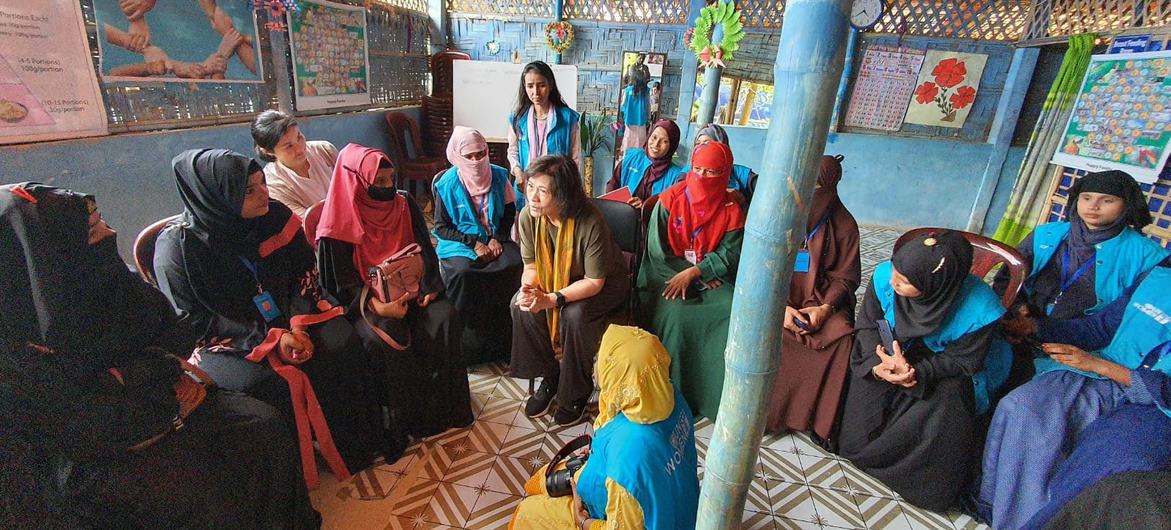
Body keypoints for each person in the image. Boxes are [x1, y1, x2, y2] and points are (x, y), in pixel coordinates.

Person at [0, 182, 319, 528]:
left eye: (102, 220)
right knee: (210, 494)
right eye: (93, 231)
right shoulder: (19, 347)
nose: (111, 233)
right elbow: (80, 426)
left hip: (163, 395)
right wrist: (163, 394)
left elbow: (177, 331)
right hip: (109, 450)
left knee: (264, 426)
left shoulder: (112, 281)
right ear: (46, 257)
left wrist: (148, 373)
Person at [153, 149, 384, 487]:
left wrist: (295, 323)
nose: (265, 194)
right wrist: (268, 337)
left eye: (262, 182)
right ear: (216, 197)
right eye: (249, 190)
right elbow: (194, 320)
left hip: (292, 315)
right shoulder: (179, 249)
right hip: (229, 338)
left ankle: (355, 447)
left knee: (341, 342)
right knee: (262, 384)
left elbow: (305, 271)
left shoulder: (275, 216)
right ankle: (291, 477)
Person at [979, 264, 1171, 530]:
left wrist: (1102, 367)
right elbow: (1101, 327)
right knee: (1024, 408)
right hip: (1104, 374)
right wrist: (1035, 327)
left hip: (1158, 406)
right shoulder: (1156, 276)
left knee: (1110, 459)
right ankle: (1010, 519)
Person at [316, 143, 473, 452]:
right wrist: (376, 305)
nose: (389, 188)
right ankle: (401, 424)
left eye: (392, 180)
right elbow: (338, 282)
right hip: (366, 302)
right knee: (384, 339)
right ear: (359, 182)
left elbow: (425, 250)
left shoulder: (404, 204)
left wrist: (428, 287)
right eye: (380, 182)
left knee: (443, 317)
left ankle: (443, 412)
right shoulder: (338, 222)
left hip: (412, 290)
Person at [837, 231, 1008, 512]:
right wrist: (879, 364)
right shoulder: (884, 278)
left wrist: (915, 371)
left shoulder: (981, 309)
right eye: (895, 272)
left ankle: (908, 476)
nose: (894, 282)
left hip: (942, 366)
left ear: (936, 285)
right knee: (854, 436)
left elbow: (962, 360)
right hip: (891, 351)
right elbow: (869, 323)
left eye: (904, 282)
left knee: (945, 406)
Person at [508, 325, 700, 530]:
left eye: (604, 359)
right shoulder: (667, 394)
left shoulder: (626, 464)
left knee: (528, 512)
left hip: (623, 510)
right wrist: (602, 450)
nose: (598, 363)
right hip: (679, 507)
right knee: (547, 479)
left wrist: (582, 521)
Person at [994, 170, 1167, 388]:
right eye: (1086, 198)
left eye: (1107, 200)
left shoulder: (1148, 257)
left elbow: (1119, 321)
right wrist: (1016, 309)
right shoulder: (1047, 234)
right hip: (1021, 327)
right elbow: (1007, 279)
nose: (1093, 206)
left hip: (1083, 344)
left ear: (1127, 206)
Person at [511, 155, 629, 426]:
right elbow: (531, 265)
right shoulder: (529, 216)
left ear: (563, 194)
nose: (533, 197)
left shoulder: (590, 221)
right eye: (531, 187)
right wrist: (529, 290)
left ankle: (575, 391)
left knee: (573, 316)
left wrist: (552, 299)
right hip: (556, 281)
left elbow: (594, 282)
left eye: (543, 191)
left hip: (602, 286)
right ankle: (550, 375)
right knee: (521, 305)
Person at [637, 142, 745, 420]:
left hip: (710, 278)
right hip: (665, 277)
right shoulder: (669, 200)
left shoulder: (732, 208)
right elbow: (657, 253)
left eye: (711, 172)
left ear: (724, 174)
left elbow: (730, 252)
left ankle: (713, 397)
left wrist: (698, 273)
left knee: (733, 308)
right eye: (696, 169)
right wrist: (687, 273)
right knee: (678, 313)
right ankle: (674, 393)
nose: (701, 177)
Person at [765, 155, 861, 446]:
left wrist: (824, 308)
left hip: (821, 301)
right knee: (768, 331)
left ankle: (814, 420)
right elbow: (760, 266)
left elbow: (845, 277)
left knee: (842, 337)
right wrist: (779, 306)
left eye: (817, 187)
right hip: (776, 297)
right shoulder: (778, 215)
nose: (809, 194)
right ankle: (769, 414)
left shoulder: (844, 225)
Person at [433, 126, 523, 365]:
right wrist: (473, 244)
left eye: (480, 154)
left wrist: (498, 238)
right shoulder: (447, 184)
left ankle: (506, 341)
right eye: (469, 156)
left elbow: (509, 211)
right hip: (460, 242)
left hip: (494, 238)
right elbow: (441, 227)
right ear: (457, 157)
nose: (476, 161)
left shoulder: (499, 175)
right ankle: (467, 346)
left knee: (514, 264)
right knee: (463, 273)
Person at [508, 61, 582, 210]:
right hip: (527, 188)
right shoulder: (517, 119)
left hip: (557, 188)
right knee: (528, 228)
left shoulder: (567, 119)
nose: (535, 92)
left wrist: (573, 189)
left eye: (541, 85)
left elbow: (575, 157)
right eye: (530, 86)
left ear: (550, 85)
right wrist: (518, 172)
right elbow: (513, 150)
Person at [252, 110, 338, 219]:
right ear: (268, 151)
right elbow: (309, 222)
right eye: (288, 146)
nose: (300, 148)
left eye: (299, 137)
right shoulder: (273, 185)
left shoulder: (324, 150)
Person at [605, 119, 684, 209]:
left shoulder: (676, 176)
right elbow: (613, 183)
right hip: (620, 215)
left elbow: (671, 210)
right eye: (654, 137)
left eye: (664, 141)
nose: (656, 144)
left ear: (672, 146)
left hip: (650, 222)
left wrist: (646, 207)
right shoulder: (633, 158)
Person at [687, 123, 758, 204]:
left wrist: (742, 198)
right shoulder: (688, 171)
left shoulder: (740, 173)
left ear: (721, 145)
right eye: (698, 143)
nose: (700, 147)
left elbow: (764, 192)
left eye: (706, 143)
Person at [619, 61, 651, 151]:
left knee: (628, 143)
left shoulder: (628, 90)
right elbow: (648, 106)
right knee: (640, 144)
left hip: (629, 120)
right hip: (641, 121)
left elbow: (623, 104)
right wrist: (648, 118)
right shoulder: (646, 91)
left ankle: (627, 161)